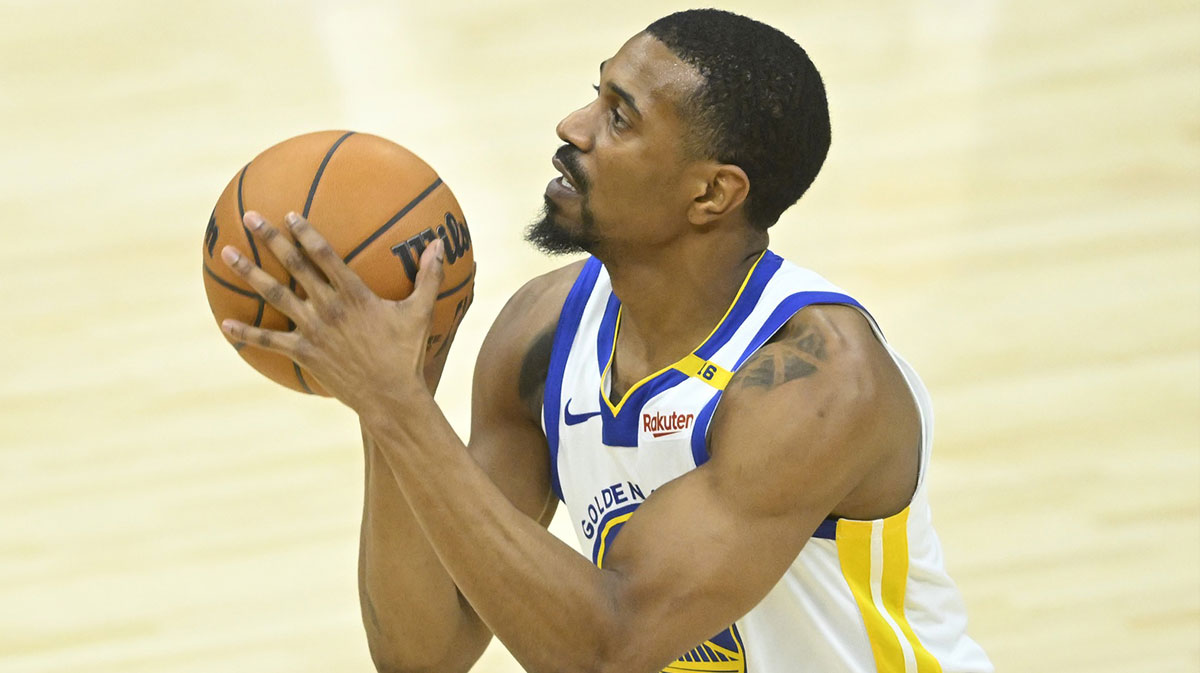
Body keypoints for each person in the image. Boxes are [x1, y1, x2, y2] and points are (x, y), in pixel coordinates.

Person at [219, 9, 993, 673]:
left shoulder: (817, 382)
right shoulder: (542, 335)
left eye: (619, 116)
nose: (573, 127)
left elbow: (608, 647)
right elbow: (425, 649)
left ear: (713, 192)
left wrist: (396, 406)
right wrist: (396, 387)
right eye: (597, 95)